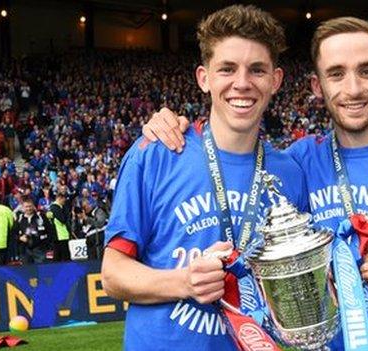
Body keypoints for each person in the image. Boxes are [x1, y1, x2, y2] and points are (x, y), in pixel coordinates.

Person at [144, 16, 368, 351]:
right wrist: (170, 124)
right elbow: (230, 149)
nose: (353, 89)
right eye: (336, 74)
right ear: (317, 85)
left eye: (366, 71)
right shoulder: (297, 163)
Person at [101, 5, 307, 350]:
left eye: (257, 70)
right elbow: (113, 274)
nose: (242, 83)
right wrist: (185, 281)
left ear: (276, 80)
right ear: (204, 77)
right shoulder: (156, 153)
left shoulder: (289, 173)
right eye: (227, 69)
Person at [14, 196, 54, 264]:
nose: (28, 208)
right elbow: (13, 233)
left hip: (40, 250)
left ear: (33, 206)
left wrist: (47, 245)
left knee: (41, 272)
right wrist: (20, 238)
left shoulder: (41, 216)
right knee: (27, 272)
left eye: (30, 206)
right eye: (26, 206)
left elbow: (50, 230)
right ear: (23, 207)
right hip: (25, 250)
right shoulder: (20, 219)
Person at [47, 192, 72, 261]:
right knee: (63, 257)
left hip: (60, 235)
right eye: (64, 199)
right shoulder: (55, 208)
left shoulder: (53, 207)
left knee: (59, 256)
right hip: (60, 235)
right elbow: (63, 219)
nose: (65, 201)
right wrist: (66, 212)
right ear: (60, 198)